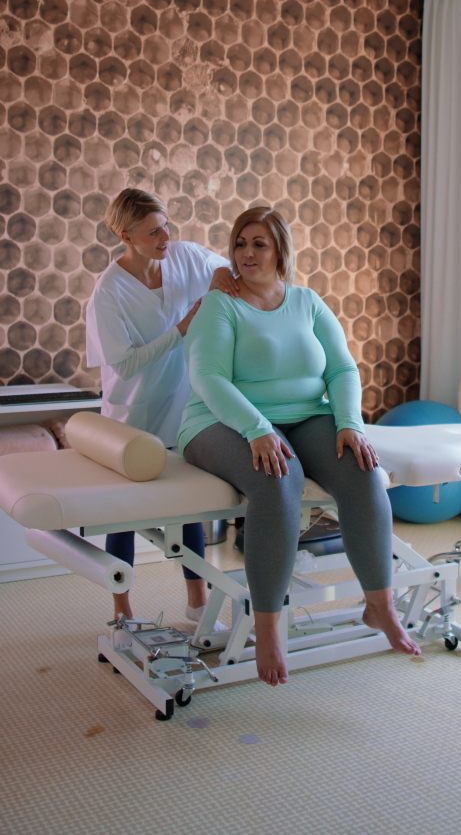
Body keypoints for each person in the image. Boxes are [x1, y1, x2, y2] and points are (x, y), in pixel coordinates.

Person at [178, 206, 422, 687]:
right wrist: (257, 429)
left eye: (259, 244)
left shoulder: (307, 302)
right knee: (279, 478)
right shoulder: (221, 305)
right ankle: (267, 626)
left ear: (280, 251)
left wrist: (350, 423)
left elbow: (342, 369)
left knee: (363, 468)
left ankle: (380, 606)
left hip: (305, 413)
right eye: (241, 243)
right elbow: (207, 378)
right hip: (220, 421)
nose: (247, 253)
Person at [86, 188, 238, 623]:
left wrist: (220, 281)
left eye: (166, 225)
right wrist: (182, 329)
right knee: (123, 518)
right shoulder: (109, 293)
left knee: (187, 508)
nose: (165, 236)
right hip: (131, 414)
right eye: (153, 231)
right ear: (125, 235)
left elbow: (223, 268)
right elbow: (127, 364)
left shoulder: (185, 256)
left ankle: (197, 603)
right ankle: (121, 613)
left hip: (183, 408)